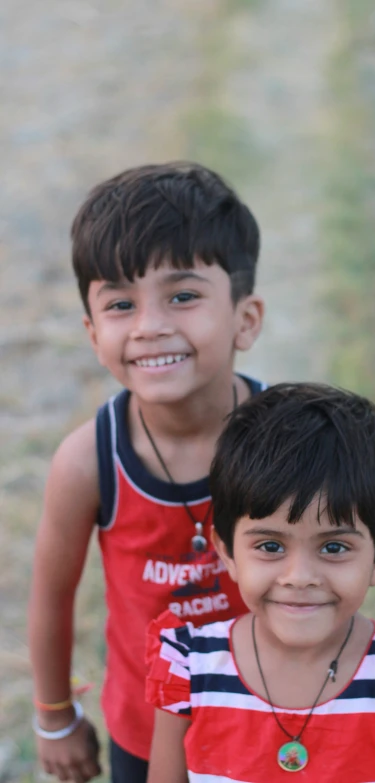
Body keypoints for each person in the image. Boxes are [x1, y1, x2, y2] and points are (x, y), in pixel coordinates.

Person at [28, 162, 265, 783]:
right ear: (92, 332)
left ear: (246, 318)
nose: (149, 325)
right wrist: (54, 716)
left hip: (274, 718)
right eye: (119, 304)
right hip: (144, 730)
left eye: (182, 296)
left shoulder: (284, 439)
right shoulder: (88, 462)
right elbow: (52, 599)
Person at [146, 383, 375, 783]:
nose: (299, 577)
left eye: (333, 547)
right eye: (270, 545)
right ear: (226, 552)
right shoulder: (189, 673)